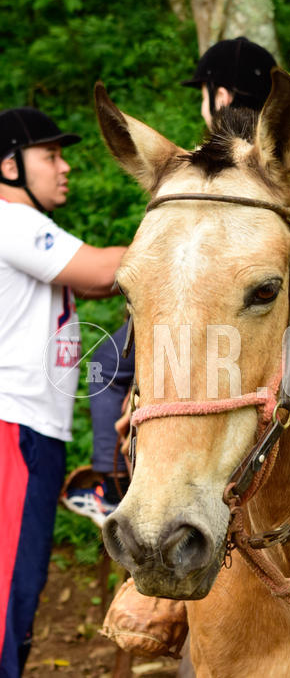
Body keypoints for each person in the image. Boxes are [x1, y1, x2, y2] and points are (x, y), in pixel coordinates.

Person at [62, 36, 278, 526]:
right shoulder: (286, 159)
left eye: (203, 93)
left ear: (219, 96)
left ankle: (110, 478)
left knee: (106, 364)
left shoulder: (202, 164)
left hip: (201, 302)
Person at [0, 106, 127, 677]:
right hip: (13, 429)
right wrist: (185, 235)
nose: (64, 166)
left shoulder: (24, 229)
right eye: (49, 155)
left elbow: (93, 285)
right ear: (9, 167)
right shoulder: (12, 221)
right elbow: (101, 272)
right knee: (9, 595)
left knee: (22, 590)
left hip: (31, 432)